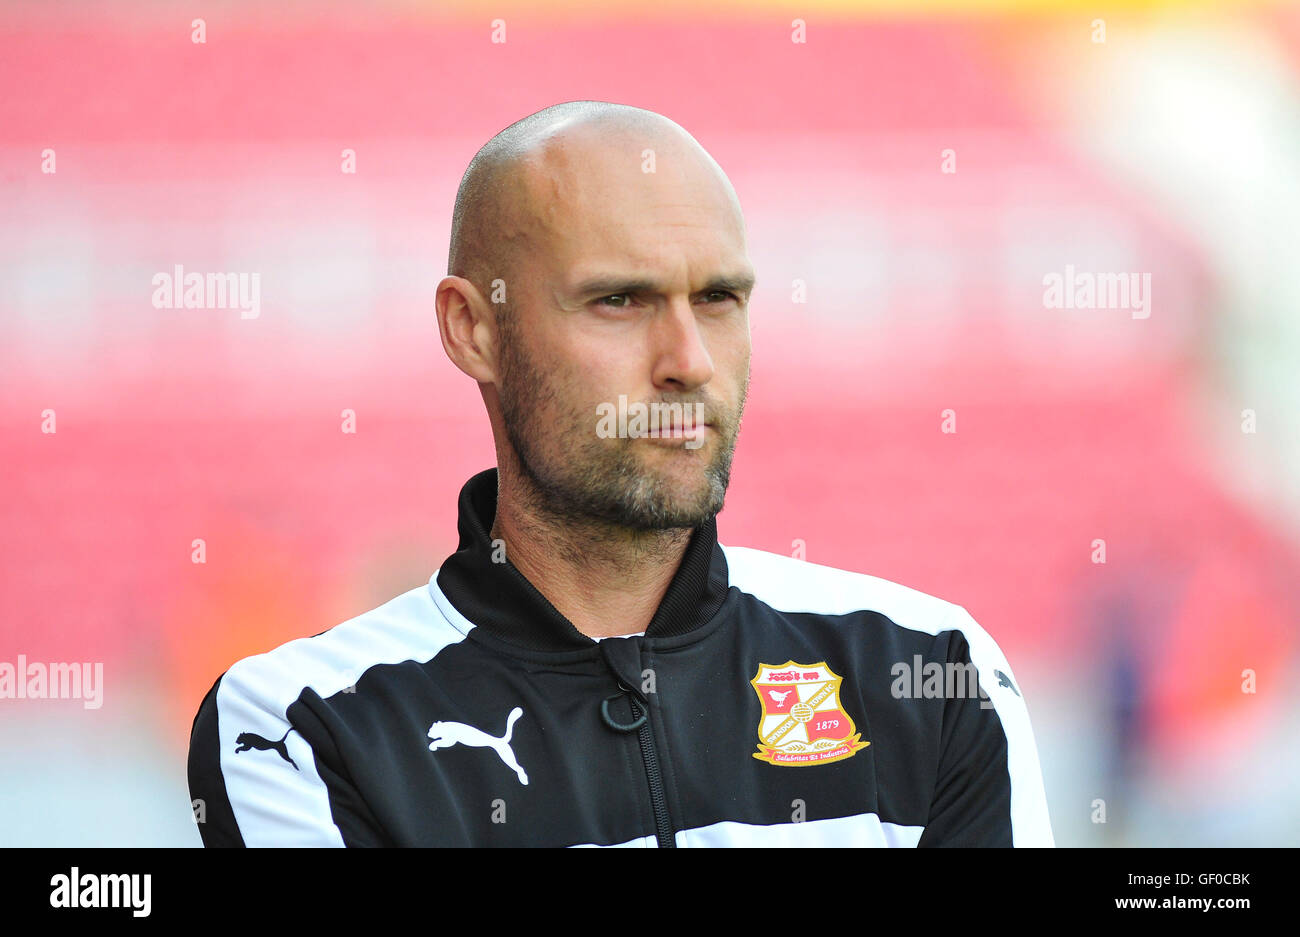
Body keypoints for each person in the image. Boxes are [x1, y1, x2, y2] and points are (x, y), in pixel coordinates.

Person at [187, 100, 1054, 847]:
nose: (689, 361)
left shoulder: (928, 670)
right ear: (473, 329)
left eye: (718, 299)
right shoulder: (305, 726)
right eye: (619, 300)